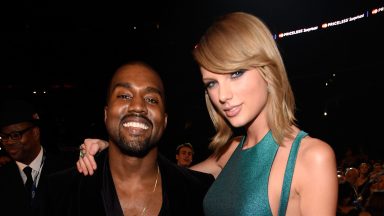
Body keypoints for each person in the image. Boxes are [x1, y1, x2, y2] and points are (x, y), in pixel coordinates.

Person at [77, 12, 338, 215]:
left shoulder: (312, 158)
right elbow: (162, 175)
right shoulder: (231, 151)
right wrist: (111, 147)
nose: (222, 95)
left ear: (267, 69)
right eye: (211, 83)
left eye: (236, 73)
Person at [44, 61, 214, 216]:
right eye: (124, 96)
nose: (138, 106)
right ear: (106, 114)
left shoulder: (200, 193)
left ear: (165, 121)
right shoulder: (58, 192)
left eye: (151, 99)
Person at [0, 99, 76, 216]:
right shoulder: (3, 175)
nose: (8, 142)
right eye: (4, 137)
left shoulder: (67, 170)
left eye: (15, 135)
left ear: (35, 133)